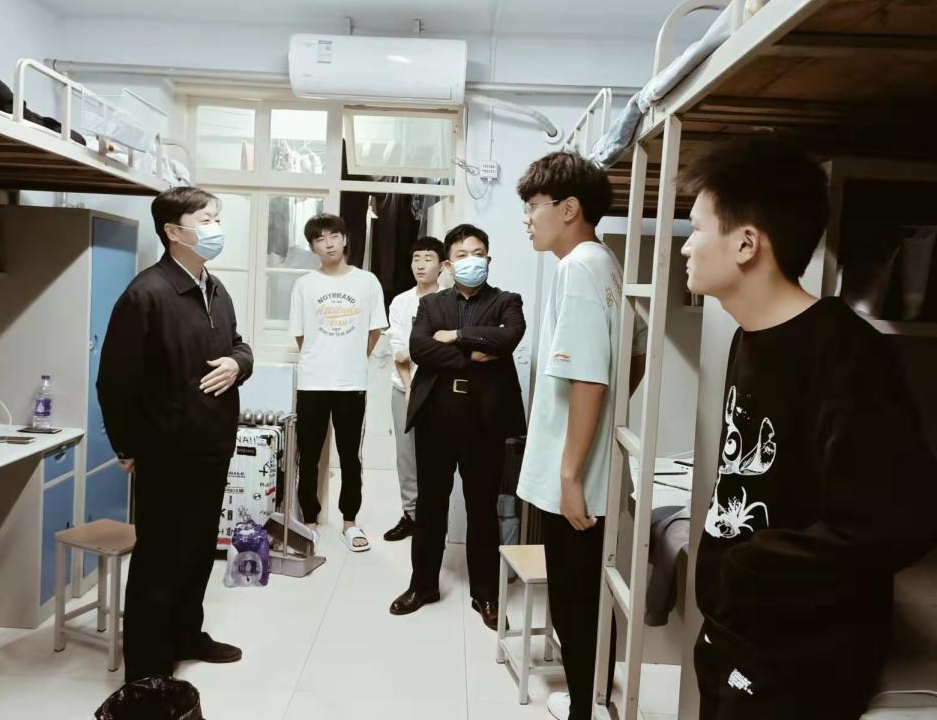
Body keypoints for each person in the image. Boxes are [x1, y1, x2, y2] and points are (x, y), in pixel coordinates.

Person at [678, 138, 937, 720]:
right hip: (735, 634)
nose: (686, 246)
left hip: (797, 662)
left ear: (747, 243)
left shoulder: (847, 354)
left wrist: (750, 563)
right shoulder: (748, 337)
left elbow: (898, 520)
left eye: (696, 229)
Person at [97, 186, 254, 683]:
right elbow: (115, 380)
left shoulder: (214, 288)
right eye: (206, 220)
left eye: (216, 218)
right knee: (160, 557)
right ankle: (147, 667)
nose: (216, 228)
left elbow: (238, 345)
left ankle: (187, 634)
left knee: (199, 550)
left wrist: (238, 364)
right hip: (166, 451)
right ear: (173, 231)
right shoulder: (146, 294)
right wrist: (126, 445)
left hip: (212, 444)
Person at [515, 152, 647, 720]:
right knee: (589, 597)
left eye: (533, 207)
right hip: (593, 467)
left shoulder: (575, 269)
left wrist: (569, 474)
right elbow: (634, 357)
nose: (527, 219)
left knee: (573, 602)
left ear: (568, 209)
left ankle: (583, 712)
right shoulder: (606, 262)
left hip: (574, 477)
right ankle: (590, 699)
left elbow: (591, 377)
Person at [389, 224, 526, 630]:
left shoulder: (506, 301)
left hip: (485, 419)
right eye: (462, 255)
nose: (471, 261)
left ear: (489, 259)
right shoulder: (432, 304)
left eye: (478, 253)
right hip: (437, 415)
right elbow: (420, 348)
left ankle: (485, 594)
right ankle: (423, 585)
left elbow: (508, 339)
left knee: (482, 508)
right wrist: (472, 354)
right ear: (448, 265)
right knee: (430, 506)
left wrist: (457, 335)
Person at [289, 213, 387, 552]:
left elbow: (375, 330)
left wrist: (352, 359)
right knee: (308, 455)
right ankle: (309, 521)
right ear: (312, 246)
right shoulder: (305, 285)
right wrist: (322, 358)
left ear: (345, 239)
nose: (328, 244)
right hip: (312, 382)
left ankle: (350, 522)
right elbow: (301, 336)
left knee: (350, 456)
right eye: (319, 239)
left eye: (334, 236)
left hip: (351, 383)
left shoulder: (367, 282)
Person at [384, 236, 446, 542]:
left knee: (436, 455)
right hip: (403, 388)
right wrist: (410, 386)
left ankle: (433, 519)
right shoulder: (400, 301)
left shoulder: (448, 300)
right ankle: (411, 515)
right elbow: (399, 351)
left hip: (439, 388)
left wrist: (417, 350)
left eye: (428, 259)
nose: (420, 265)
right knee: (406, 456)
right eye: (416, 259)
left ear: (442, 265)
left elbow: (447, 350)